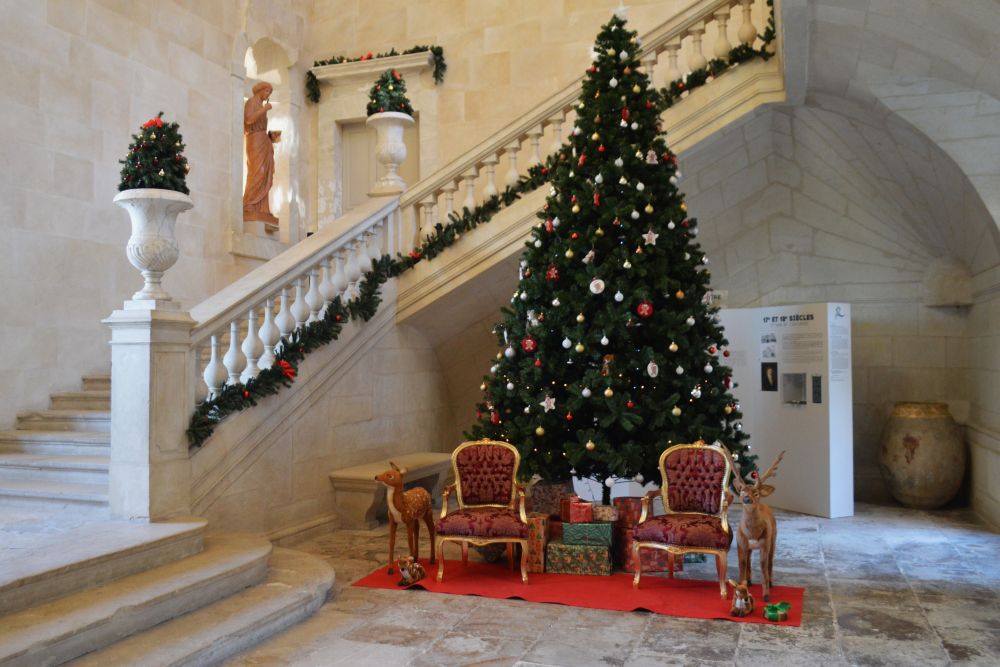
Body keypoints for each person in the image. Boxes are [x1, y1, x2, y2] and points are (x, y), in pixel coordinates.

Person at [243, 82, 280, 224]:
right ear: (259, 90)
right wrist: (264, 110)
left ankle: (262, 208)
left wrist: (271, 138)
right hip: (254, 140)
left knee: (264, 174)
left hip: (263, 139)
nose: (268, 95)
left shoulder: (260, 104)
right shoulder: (251, 103)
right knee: (257, 172)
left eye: (270, 92)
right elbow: (249, 120)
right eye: (266, 91)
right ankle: (249, 204)